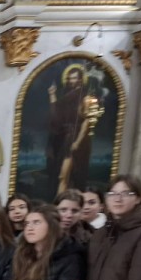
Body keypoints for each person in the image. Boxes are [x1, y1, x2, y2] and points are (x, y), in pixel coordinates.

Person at [47, 63, 93, 197]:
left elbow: (86, 121)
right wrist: (52, 95)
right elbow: (56, 117)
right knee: (61, 176)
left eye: (74, 78)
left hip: (76, 138)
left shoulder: (84, 98)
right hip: (64, 138)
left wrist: (77, 142)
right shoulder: (66, 96)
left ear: (80, 79)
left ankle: (64, 201)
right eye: (69, 78)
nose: (71, 81)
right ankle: (60, 201)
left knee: (68, 175)